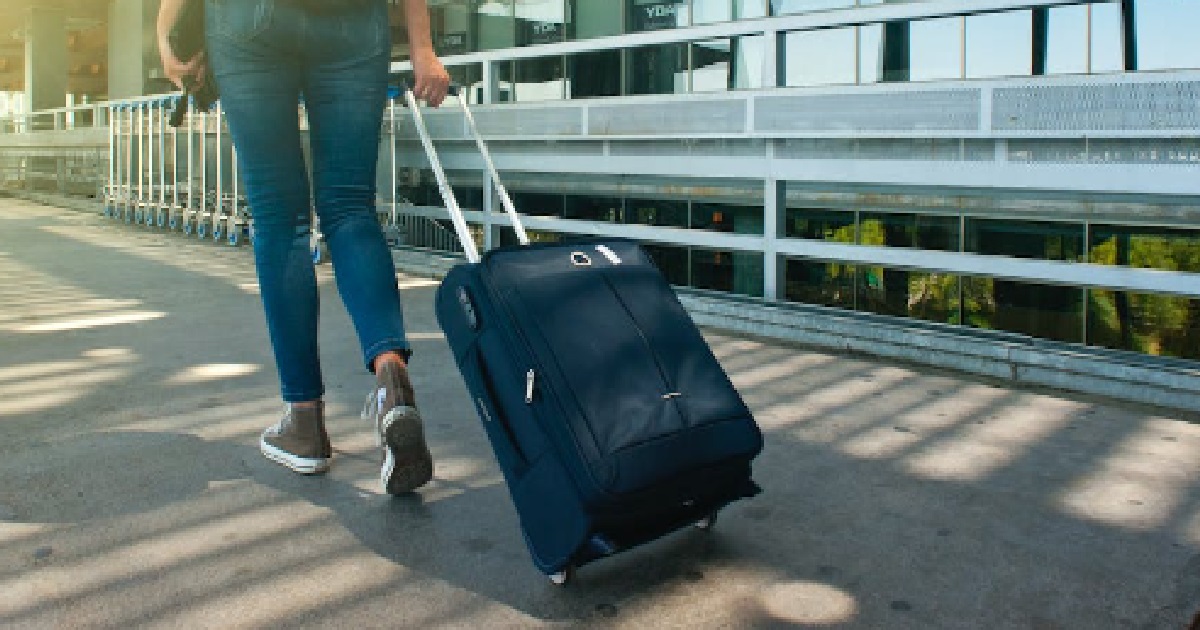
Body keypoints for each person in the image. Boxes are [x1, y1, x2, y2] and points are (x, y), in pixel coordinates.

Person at [156, 0, 450, 494]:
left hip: (248, 24)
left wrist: (166, 36)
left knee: (279, 217)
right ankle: (392, 378)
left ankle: (305, 423)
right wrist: (423, 47)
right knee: (351, 207)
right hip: (353, 24)